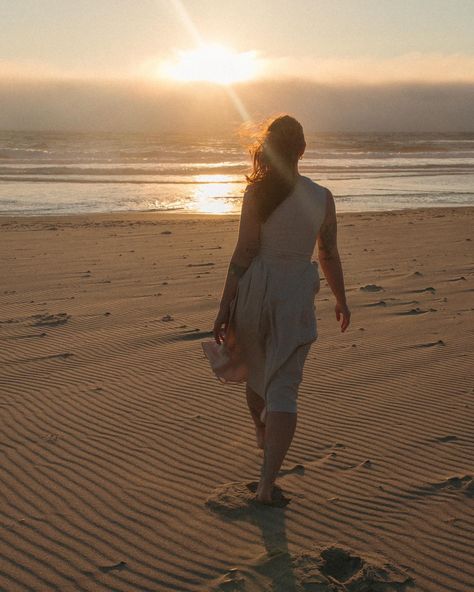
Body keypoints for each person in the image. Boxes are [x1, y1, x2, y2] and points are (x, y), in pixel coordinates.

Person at [204, 114, 350, 505]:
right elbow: (329, 253)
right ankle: (267, 484)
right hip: (294, 293)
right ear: (302, 150)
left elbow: (245, 252)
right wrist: (341, 298)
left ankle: (261, 431)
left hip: (254, 288)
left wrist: (225, 304)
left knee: (254, 371)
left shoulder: (256, 195)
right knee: (283, 386)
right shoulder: (322, 196)